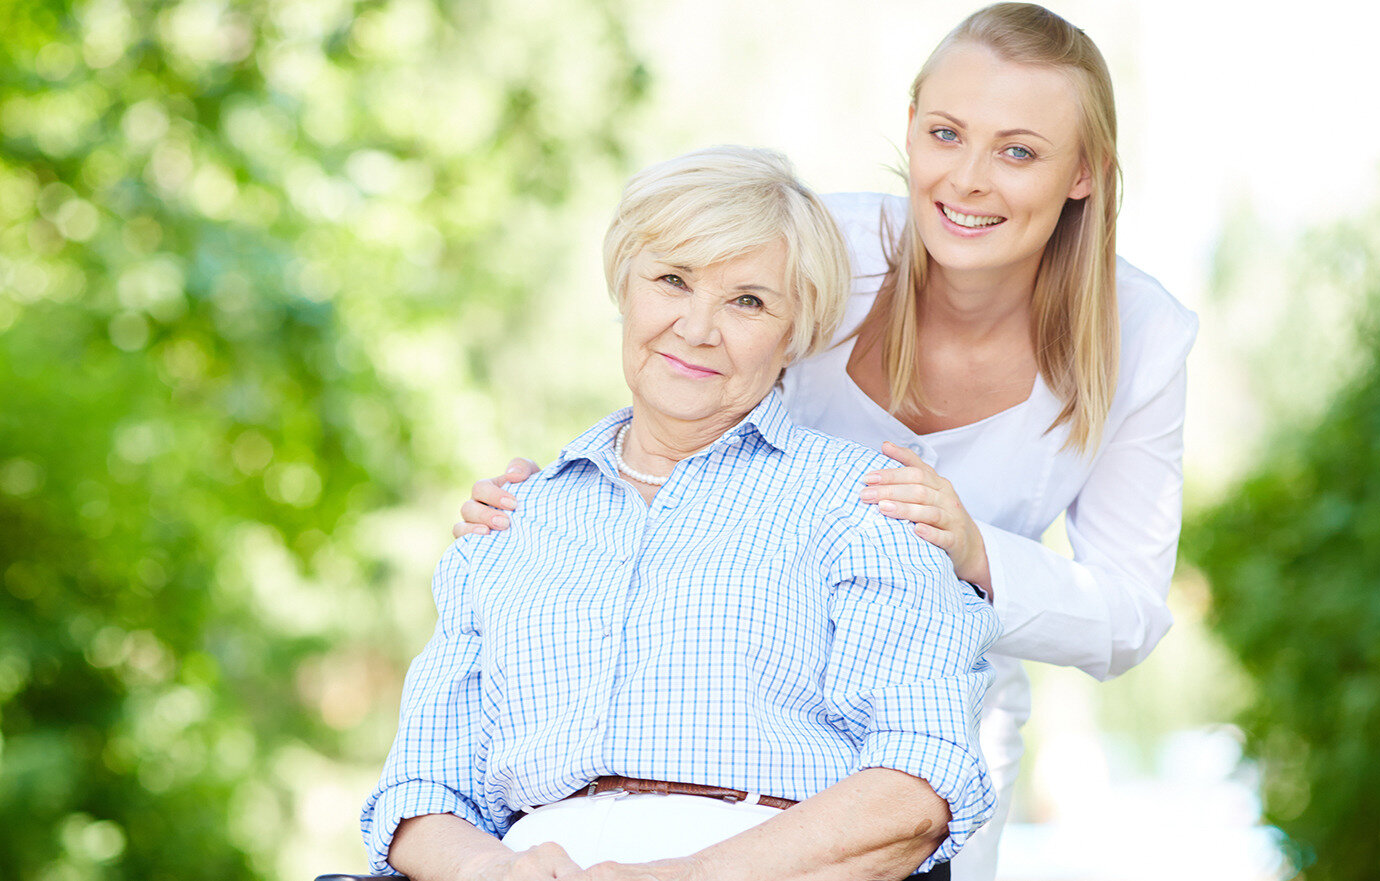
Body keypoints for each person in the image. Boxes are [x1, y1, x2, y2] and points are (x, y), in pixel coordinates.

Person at [452, 5, 1199, 878]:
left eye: (1019, 151)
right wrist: (550, 509)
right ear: (911, 126)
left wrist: (970, 550)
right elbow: (685, 377)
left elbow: (1128, 612)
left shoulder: (1142, 334)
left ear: (1085, 173)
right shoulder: (823, 248)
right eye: (945, 133)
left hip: (929, 715)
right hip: (732, 689)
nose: (968, 180)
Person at [363, 145, 1000, 880]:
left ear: (796, 332)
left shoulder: (866, 505)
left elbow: (918, 785)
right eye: (672, 280)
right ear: (625, 288)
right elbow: (418, 792)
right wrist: (489, 871)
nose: (698, 327)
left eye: (748, 301)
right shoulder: (511, 524)